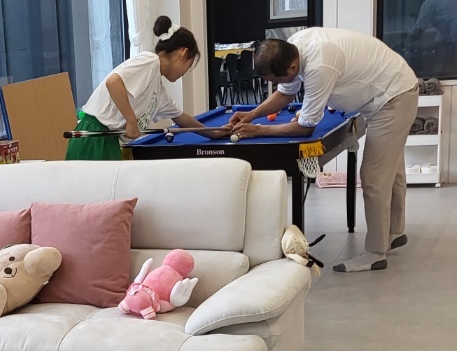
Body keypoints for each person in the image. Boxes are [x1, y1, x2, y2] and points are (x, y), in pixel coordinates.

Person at [230, 28, 418, 272]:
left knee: (374, 177)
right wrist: (252, 115)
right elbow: (285, 94)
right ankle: (395, 232)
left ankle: (375, 253)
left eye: (277, 80)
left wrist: (259, 130)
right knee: (391, 167)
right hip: (392, 88)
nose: (276, 85)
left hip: (393, 97)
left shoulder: (319, 65)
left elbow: (305, 127)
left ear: (293, 67)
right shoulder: (293, 48)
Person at [67, 16, 229, 161]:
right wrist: (131, 120)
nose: (185, 72)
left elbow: (180, 118)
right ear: (183, 53)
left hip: (106, 141)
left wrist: (213, 133)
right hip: (94, 137)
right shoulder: (150, 61)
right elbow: (113, 83)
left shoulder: (158, 90)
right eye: (189, 65)